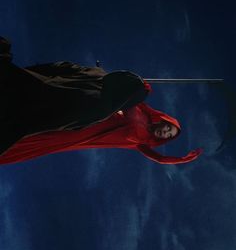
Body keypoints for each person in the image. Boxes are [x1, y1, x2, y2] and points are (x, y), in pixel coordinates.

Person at [0, 36, 202, 165]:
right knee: (52, 95)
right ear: (164, 120)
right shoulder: (142, 109)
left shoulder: (141, 142)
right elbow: (126, 90)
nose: (164, 133)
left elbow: (158, 158)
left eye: (167, 135)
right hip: (90, 104)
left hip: (83, 131)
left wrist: (179, 160)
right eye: (168, 128)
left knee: (41, 127)